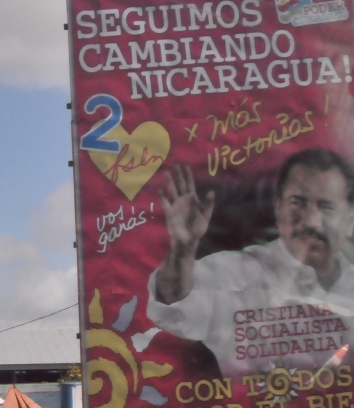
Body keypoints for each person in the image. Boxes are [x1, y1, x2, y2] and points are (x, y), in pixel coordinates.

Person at [147, 147, 354, 377]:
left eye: (326, 207)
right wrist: (182, 250)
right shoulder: (235, 274)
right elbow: (172, 304)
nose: (312, 221)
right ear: (278, 208)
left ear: (350, 221)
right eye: (298, 203)